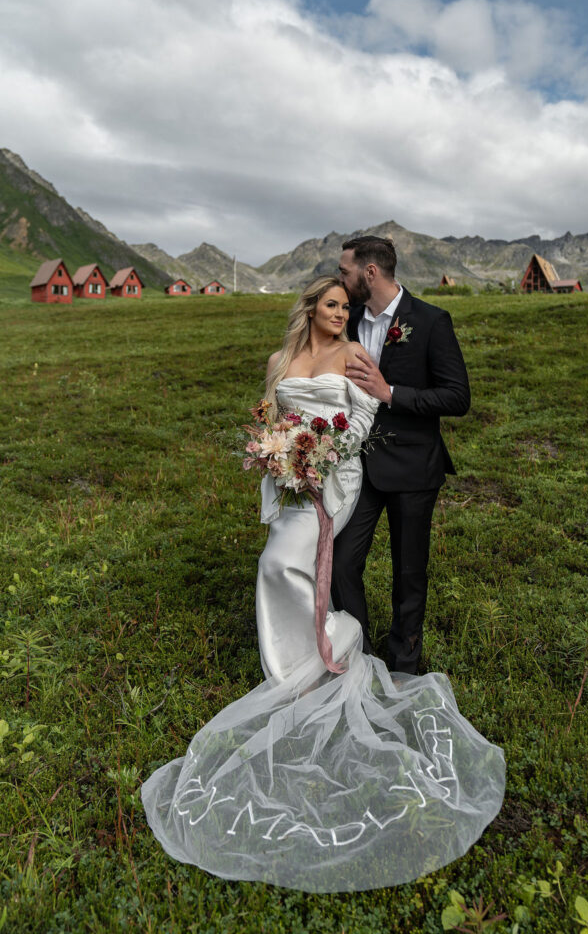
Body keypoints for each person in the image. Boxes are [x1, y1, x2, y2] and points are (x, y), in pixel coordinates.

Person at [141, 276, 504, 893]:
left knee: (281, 564)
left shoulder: (355, 356)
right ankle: (298, 664)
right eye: (331, 305)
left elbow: (363, 416)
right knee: (288, 566)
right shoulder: (281, 361)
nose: (341, 314)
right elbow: (272, 419)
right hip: (293, 479)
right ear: (311, 308)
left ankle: (327, 651)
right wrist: (279, 456)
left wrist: (322, 459)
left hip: (336, 475)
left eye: (346, 306)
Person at [333, 236, 470, 673]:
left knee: (409, 573)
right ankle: (359, 657)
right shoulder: (347, 319)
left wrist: (390, 393)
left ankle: (404, 665)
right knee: (341, 564)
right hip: (359, 468)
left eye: (344, 270)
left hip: (413, 468)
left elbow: (456, 397)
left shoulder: (430, 321)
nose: (340, 278)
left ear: (368, 272)